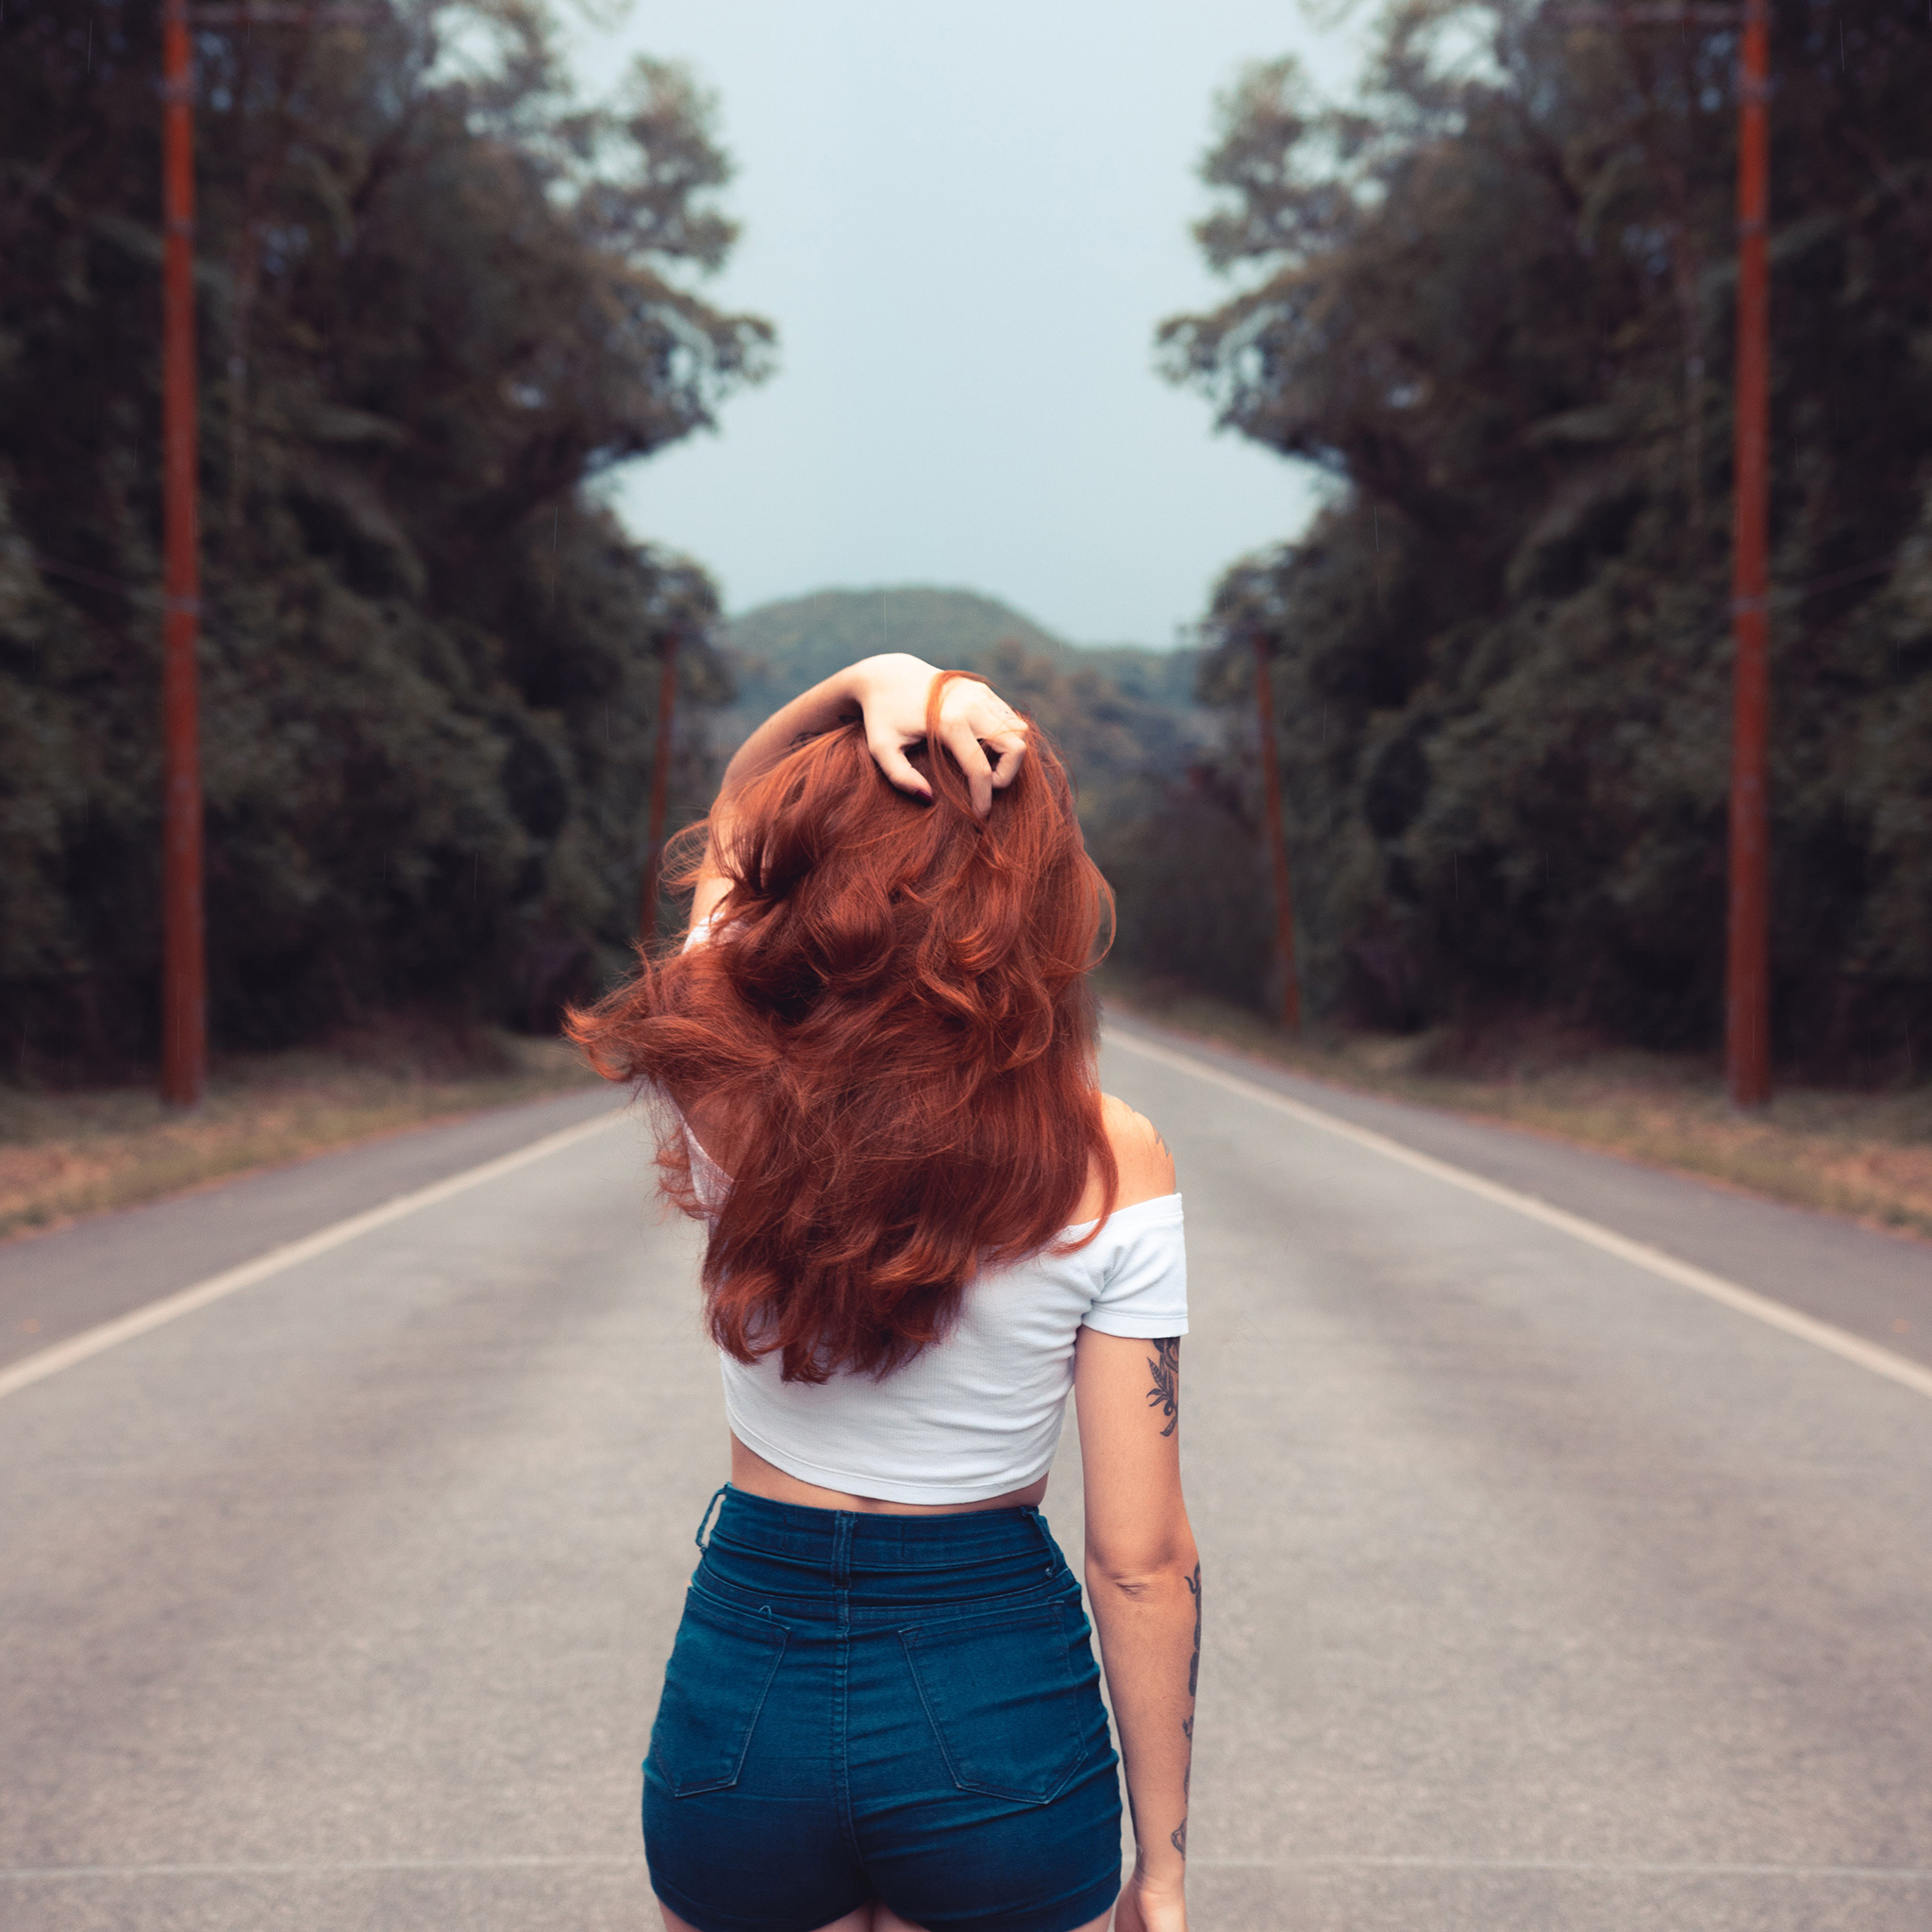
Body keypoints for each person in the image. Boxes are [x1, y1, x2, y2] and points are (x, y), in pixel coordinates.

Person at [570, 652, 1198, 1932]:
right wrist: (1166, 1872)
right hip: (995, 1693)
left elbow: (737, 825)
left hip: (747, 1694)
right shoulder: (1108, 1152)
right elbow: (1140, 1564)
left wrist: (874, 682)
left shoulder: (723, 1081)